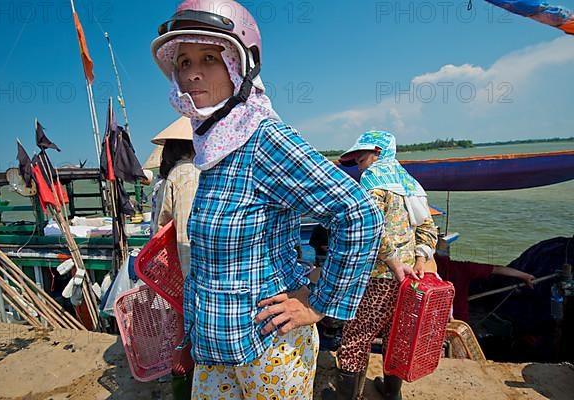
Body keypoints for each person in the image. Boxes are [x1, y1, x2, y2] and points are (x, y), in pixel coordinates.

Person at [150, 1, 384, 399]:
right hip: (215, 346)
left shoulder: (263, 139)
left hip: (268, 348)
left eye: (210, 57)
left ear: (240, 65)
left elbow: (359, 214)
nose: (192, 73)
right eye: (184, 60)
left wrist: (318, 302)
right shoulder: (214, 143)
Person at [325, 131, 439, 400]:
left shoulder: (373, 180)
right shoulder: (410, 184)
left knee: (355, 338)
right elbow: (428, 228)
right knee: (395, 335)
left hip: (377, 277)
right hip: (409, 279)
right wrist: (420, 260)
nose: (358, 161)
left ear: (378, 153)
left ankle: (346, 397)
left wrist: (392, 261)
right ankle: (391, 393)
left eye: (361, 155)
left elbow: (370, 227)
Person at [150, 116, 200, 278]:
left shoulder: (177, 172)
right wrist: (190, 278)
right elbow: (185, 234)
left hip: (172, 265)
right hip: (186, 269)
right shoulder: (188, 173)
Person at [434, 246, 535, 322]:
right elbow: (496, 269)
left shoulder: (425, 271)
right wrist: (524, 276)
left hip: (434, 318)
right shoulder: (463, 268)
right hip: (459, 320)